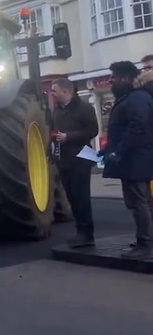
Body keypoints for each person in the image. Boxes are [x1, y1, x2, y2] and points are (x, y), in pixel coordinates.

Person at [99, 61, 153, 259]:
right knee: (142, 201)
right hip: (135, 160)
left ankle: (145, 244)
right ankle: (146, 240)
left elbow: (138, 127)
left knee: (139, 202)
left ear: (126, 78)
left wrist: (118, 152)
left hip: (135, 161)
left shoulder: (136, 98)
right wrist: (107, 150)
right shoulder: (132, 97)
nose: (111, 80)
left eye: (114, 77)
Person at [51, 78, 99, 248]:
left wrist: (68, 137)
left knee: (82, 197)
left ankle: (87, 234)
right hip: (64, 160)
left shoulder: (85, 108)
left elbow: (93, 130)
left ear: (66, 91)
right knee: (72, 197)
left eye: (55, 90)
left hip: (81, 159)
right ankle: (80, 232)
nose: (52, 93)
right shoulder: (57, 110)